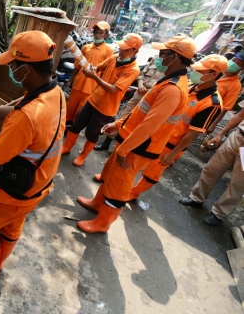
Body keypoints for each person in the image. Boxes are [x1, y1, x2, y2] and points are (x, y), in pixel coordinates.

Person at [0, 31, 65, 283]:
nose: (11, 70)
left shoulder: (26, 117)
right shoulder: (54, 93)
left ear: (25, 70)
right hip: (38, 185)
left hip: (13, 192)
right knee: (12, 225)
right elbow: (20, 114)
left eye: (13, 65)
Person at [77, 35, 195, 233]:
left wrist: (124, 149)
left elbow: (150, 125)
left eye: (163, 54)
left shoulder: (173, 89)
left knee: (119, 186)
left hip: (139, 147)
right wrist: (119, 123)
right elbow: (142, 111)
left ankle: (103, 223)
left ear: (174, 57)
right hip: (131, 141)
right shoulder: (168, 81)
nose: (159, 57)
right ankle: (97, 204)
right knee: (111, 175)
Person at [128, 54, 227, 200]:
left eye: (201, 71)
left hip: (170, 145)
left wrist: (173, 154)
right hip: (157, 134)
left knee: (153, 172)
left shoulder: (212, 103)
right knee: (134, 160)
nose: (195, 72)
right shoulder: (190, 87)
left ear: (214, 74)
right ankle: (122, 184)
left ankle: (133, 193)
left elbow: (192, 134)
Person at [61, 33, 143, 167]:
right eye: (121, 47)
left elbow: (113, 89)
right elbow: (98, 68)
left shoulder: (133, 70)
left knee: (92, 134)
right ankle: (67, 147)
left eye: (126, 49)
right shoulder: (114, 58)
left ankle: (83, 156)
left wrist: (94, 77)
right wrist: (90, 68)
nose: (121, 50)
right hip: (93, 100)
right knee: (76, 125)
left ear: (135, 50)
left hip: (106, 108)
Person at [179, 100, 244, 226]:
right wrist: (220, 134)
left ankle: (218, 213)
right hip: (237, 136)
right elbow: (241, 115)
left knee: (238, 183)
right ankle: (197, 198)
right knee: (212, 169)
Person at [94, 54, 165, 151]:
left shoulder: (175, 67)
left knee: (136, 123)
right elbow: (142, 74)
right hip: (140, 93)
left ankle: (120, 148)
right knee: (123, 116)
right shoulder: (156, 58)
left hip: (153, 98)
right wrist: (140, 84)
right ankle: (106, 143)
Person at [65, 21, 114, 125]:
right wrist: (70, 80)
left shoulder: (108, 51)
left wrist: (99, 88)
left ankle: (73, 128)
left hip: (91, 87)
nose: (97, 35)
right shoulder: (86, 47)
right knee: (70, 106)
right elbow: (77, 66)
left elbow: (106, 72)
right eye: (96, 32)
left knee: (81, 110)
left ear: (106, 35)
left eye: (101, 33)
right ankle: (65, 126)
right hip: (78, 84)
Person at [206, 51, 244, 133]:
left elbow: (225, 108)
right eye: (233, 60)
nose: (233, 63)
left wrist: (213, 124)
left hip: (206, 114)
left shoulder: (236, 85)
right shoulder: (217, 69)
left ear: (242, 68)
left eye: (238, 64)